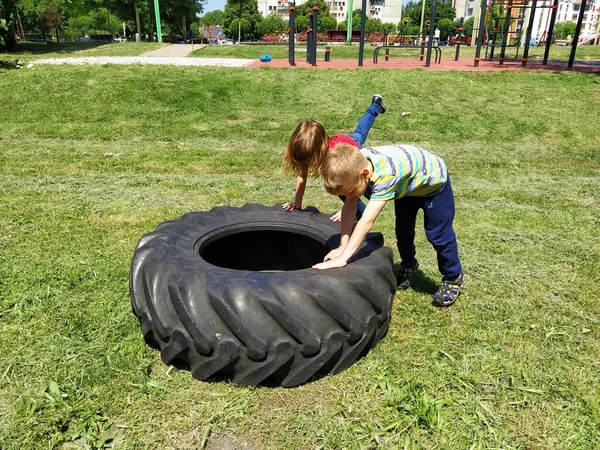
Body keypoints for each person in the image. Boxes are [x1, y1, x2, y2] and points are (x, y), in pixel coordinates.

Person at [313, 143, 465, 307]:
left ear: (365, 174)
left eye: (350, 191)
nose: (348, 196)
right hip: (408, 187)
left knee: (438, 235)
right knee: (403, 232)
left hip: (433, 185)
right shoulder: (357, 165)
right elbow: (350, 205)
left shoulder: (386, 177)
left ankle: (453, 276)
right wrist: (343, 245)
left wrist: (343, 258)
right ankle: (409, 265)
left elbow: (366, 221)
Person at [282, 95, 386, 221]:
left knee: (341, 186)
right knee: (359, 131)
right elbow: (302, 176)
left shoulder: (334, 157)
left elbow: (349, 183)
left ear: (319, 149)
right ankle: (376, 104)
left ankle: (363, 213)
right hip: (343, 139)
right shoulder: (309, 150)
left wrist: (346, 211)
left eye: (308, 160)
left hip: (351, 147)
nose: (306, 164)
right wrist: (297, 203)